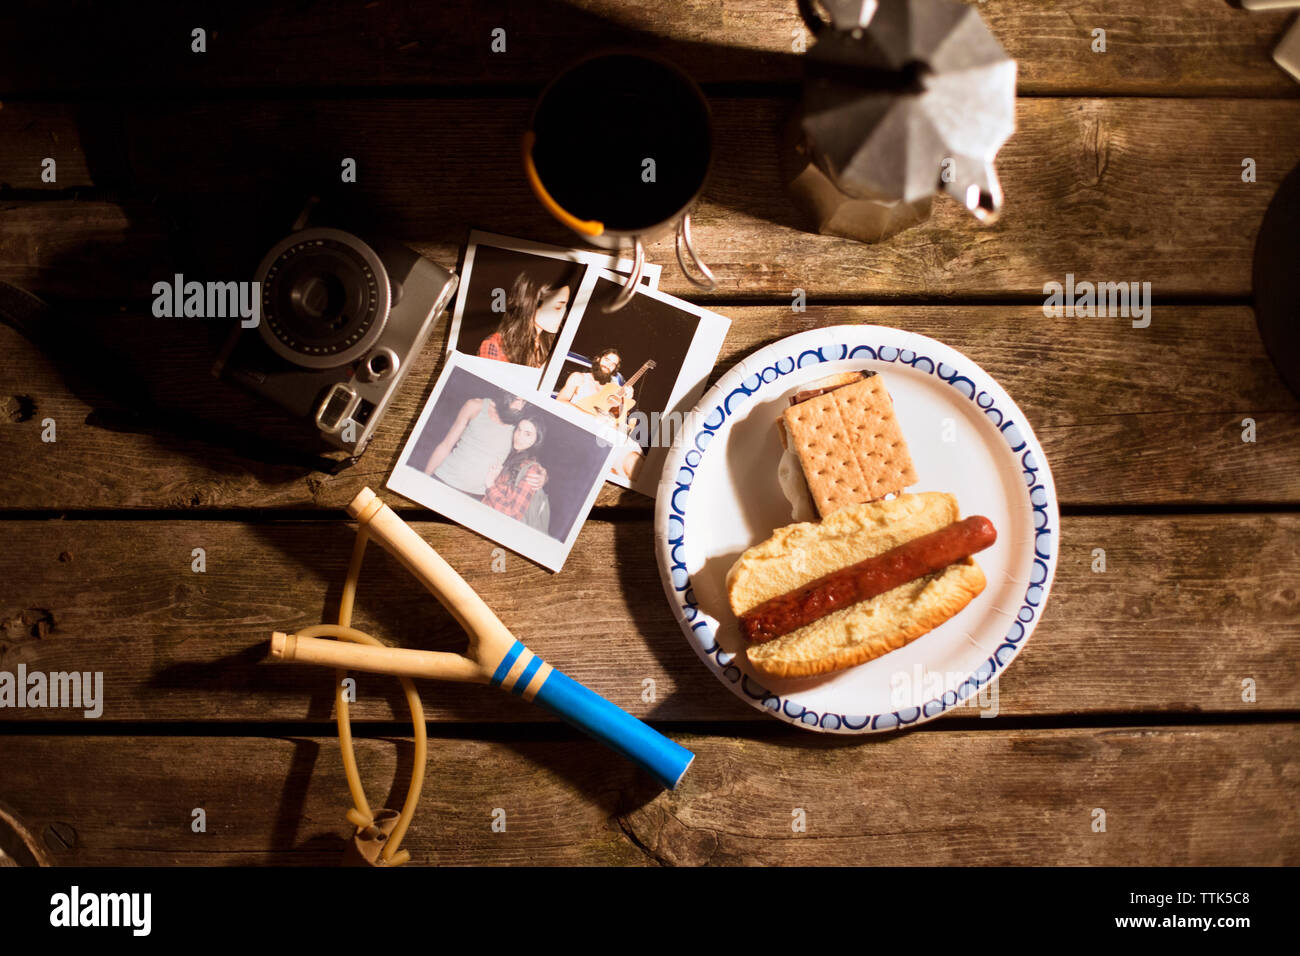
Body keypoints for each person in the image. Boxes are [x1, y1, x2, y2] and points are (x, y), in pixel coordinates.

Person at [423, 394, 545, 497]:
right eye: (517, 400)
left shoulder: (519, 421)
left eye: (525, 402)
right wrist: (423, 479)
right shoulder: (475, 406)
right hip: (444, 480)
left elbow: (528, 450)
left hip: (476, 496)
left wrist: (542, 475)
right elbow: (445, 445)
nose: (520, 407)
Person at [477, 273, 570, 367]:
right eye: (558, 307)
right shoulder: (495, 345)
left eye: (566, 307)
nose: (564, 315)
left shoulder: (554, 344)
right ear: (532, 303)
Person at [481, 415, 551, 534]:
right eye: (519, 429)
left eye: (527, 434)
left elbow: (512, 514)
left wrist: (490, 485)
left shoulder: (532, 470)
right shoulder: (510, 454)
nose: (519, 436)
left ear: (537, 439)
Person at [555, 347, 631, 417]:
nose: (608, 365)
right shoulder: (579, 377)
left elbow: (615, 415)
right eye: (607, 360)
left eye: (613, 364)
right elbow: (560, 401)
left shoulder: (611, 388)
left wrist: (627, 399)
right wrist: (592, 417)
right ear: (598, 359)